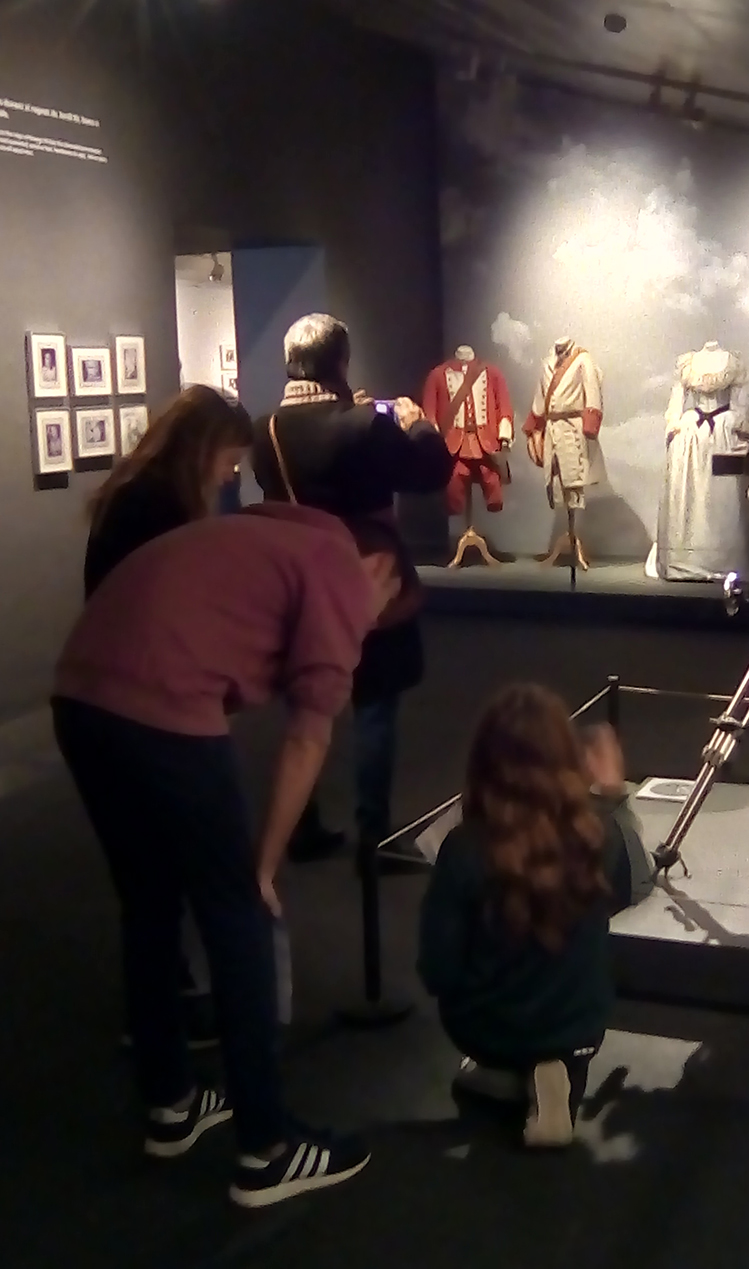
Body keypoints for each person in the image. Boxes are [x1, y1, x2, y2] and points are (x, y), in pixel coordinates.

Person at [53, 503, 401, 1208]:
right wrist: (263, 866)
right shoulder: (338, 566)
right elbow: (308, 737)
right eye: (384, 611)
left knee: (149, 902)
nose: (367, 629)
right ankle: (267, 1149)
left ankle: (171, 1102)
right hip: (160, 701)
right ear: (381, 568)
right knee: (240, 912)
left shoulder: (269, 536)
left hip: (79, 694)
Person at [84, 384, 254, 1048]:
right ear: (204, 446)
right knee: (167, 878)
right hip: (146, 704)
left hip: (108, 698)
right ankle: (167, 1033)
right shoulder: (161, 507)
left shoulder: (132, 495)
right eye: (230, 458)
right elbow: (175, 609)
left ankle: (160, 1017)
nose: (231, 474)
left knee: (147, 880)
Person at [252, 313, 454, 863]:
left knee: (306, 705)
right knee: (374, 706)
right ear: (341, 361)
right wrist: (416, 423)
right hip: (367, 583)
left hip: (299, 583)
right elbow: (430, 472)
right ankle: (374, 838)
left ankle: (302, 826)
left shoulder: (266, 430)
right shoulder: (366, 425)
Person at [418, 685, 650, 1149]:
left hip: (485, 1030)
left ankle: (508, 1073)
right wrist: (613, 795)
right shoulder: (599, 831)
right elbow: (637, 887)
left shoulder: (463, 847)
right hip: (581, 1027)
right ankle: (551, 1068)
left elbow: (437, 970)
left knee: (482, 1002)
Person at [85, 384, 252, 598]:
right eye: (230, 461)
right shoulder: (156, 502)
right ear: (202, 450)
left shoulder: (137, 484)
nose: (229, 475)